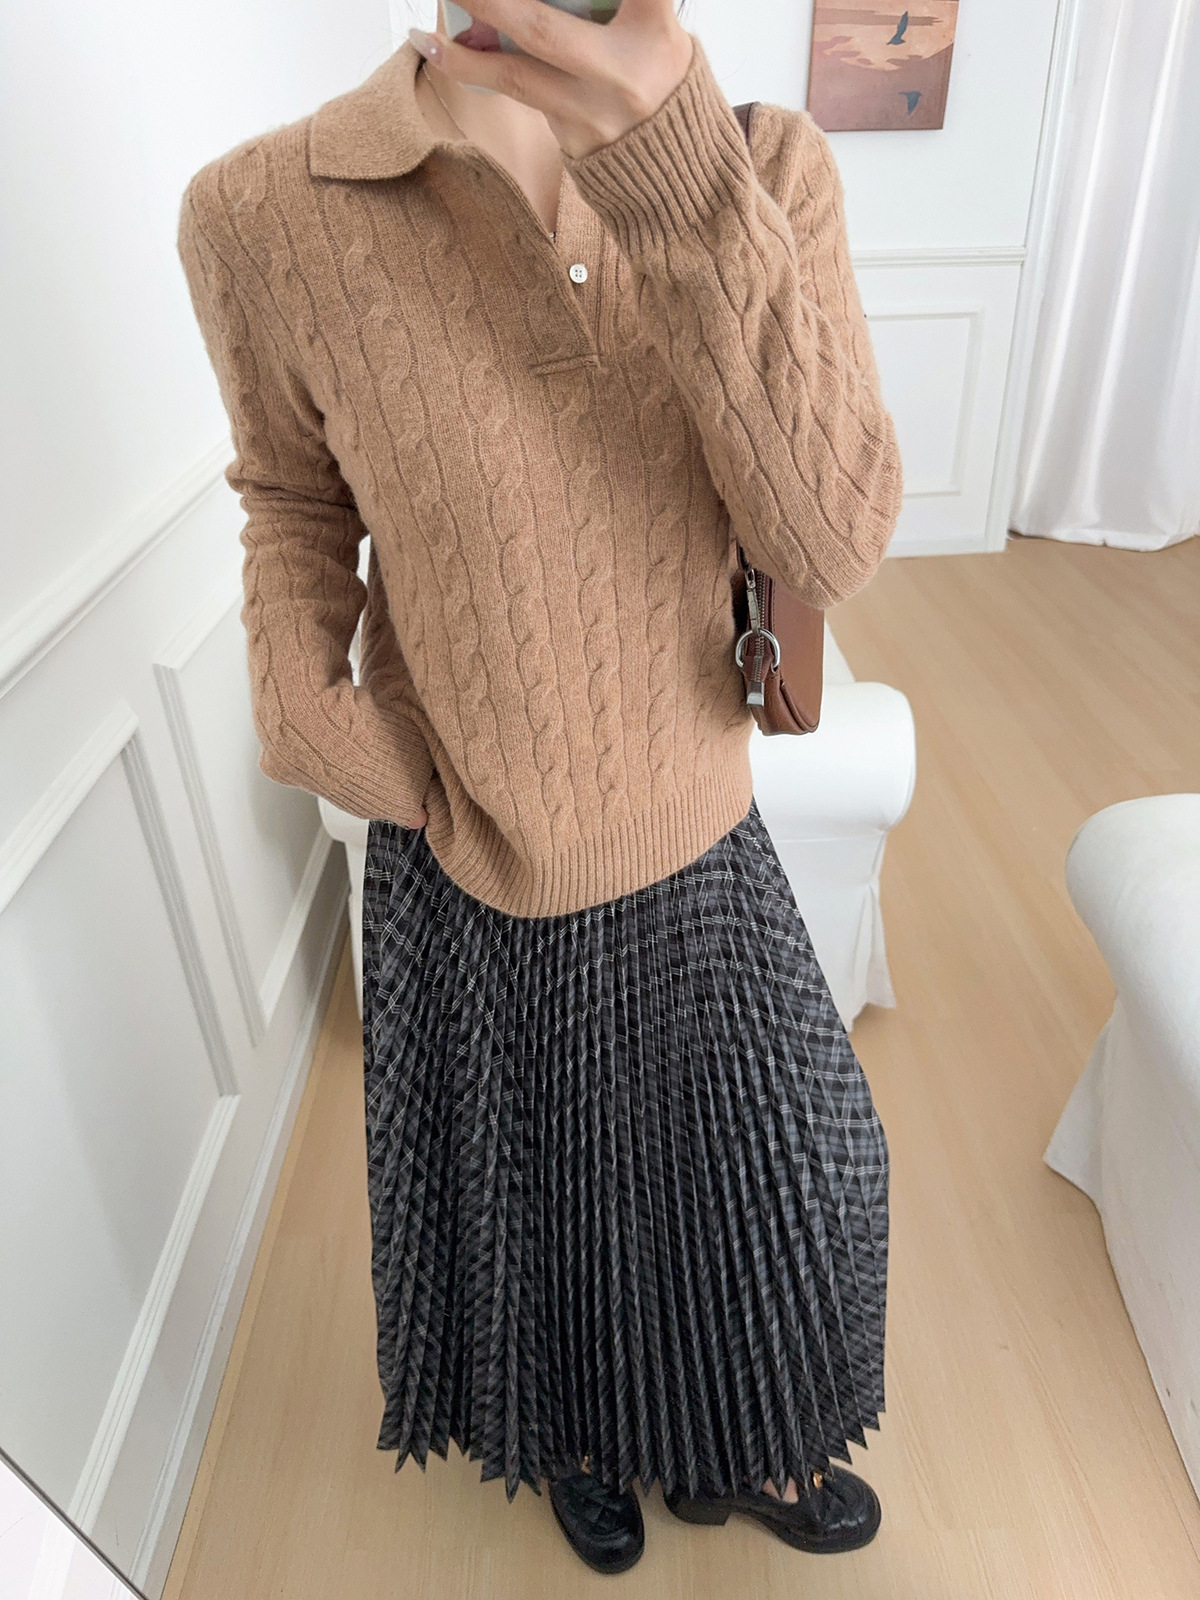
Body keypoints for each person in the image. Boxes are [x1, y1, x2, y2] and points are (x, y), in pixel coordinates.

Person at [177, 0, 902, 1575]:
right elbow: (291, 499)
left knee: (793, 1179)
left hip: (700, 824)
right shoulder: (260, 210)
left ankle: (738, 1429)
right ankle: (582, 1438)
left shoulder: (768, 166)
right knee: (548, 1218)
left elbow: (828, 538)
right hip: (472, 845)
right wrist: (306, 708)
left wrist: (677, 178)